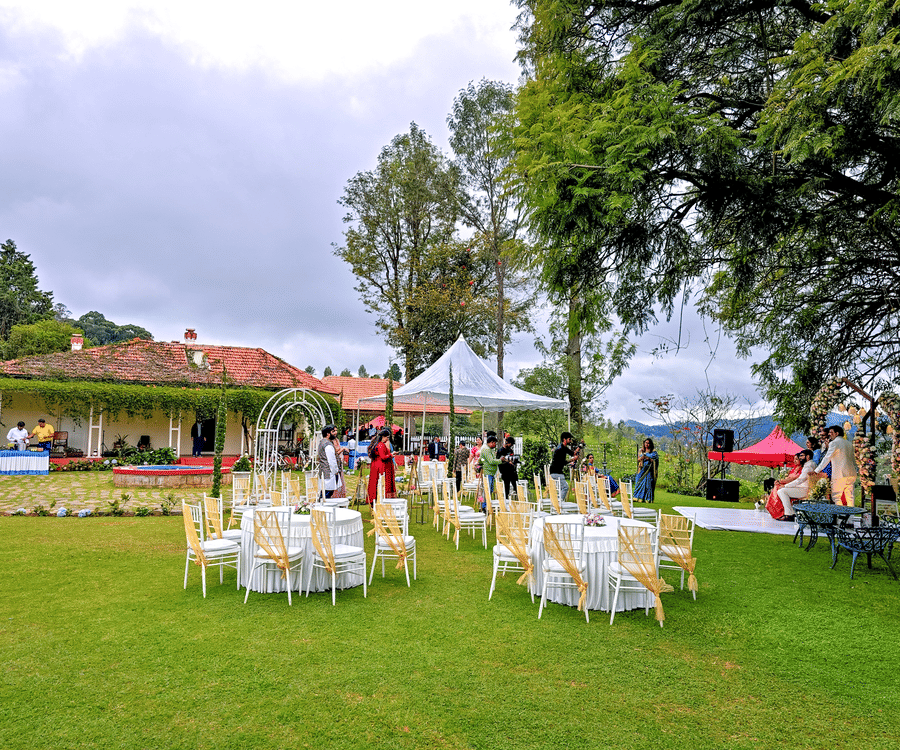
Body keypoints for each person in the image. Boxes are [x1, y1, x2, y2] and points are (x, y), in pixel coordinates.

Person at [816, 424, 857, 506]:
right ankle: (850, 516)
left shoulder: (834, 443)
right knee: (850, 496)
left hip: (839, 474)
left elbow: (827, 458)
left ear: (837, 433)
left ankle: (841, 515)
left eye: (831, 432)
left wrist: (816, 470)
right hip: (851, 474)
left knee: (836, 497)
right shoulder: (849, 444)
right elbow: (853, 460)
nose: (829, 434)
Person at [776, 449, 817, 521]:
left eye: (802, 456)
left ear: (808, 457)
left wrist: (785, 486)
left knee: (781, 491)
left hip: (805, 490)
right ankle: (790, 513)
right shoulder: (809, 464)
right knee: (781, 490)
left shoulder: (809, 466)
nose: (800, 458)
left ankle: (789, 514)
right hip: (803, 488)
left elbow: (800, 480)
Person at [765, 454, 804, 519]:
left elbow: (794, 479)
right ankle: (776, 510)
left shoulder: (802, 469)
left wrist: (781, 482)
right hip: (788, 484)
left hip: (794, 485)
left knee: (779, 488)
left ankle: (781, 512)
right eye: (794, 459)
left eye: (796, 459)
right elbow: (788, 478)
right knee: (777, 486)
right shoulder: (793, 469)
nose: (794, 461)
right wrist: (779, 481)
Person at [367, 428, 396, 503]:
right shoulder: (381, 445)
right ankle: (379, 498)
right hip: (381, 467)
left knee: (375, 483)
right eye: (387, 437)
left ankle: (375, 498)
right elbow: (383, 456)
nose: (387, 439)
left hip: (376, 465)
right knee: (380, 483)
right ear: (384, 437)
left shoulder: (377, 444)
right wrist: (391, 455)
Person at [549, 432, 577, 502]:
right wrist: (572, 460)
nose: (570, 441)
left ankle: (559, 502)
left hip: (557, 472)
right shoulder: (560, 449)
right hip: (556, 472)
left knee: (562, 488)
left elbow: (573, 453)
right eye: (569, 439)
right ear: (565, 439)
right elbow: (563, 462)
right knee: (565, 487)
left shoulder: (563, 447)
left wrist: (579, 447)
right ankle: (559, 503)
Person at [316, 424, 341, 499]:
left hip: (325, 471)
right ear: (328, 434)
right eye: (333, 431)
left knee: (325, 493)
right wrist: (336, 471)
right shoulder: (328, 445)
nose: (335, 433)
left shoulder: (322, 442)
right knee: (327, 493)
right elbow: (332, 461)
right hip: (328, 472)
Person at [478, 434, 501, 510]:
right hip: (488, 472)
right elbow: (491, 461)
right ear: (491, 442)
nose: (495, 445)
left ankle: (486, 504)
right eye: (494, 443)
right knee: (487, 490)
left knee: (489, 489)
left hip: (490, 472)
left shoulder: (489, 449)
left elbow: (482, 459)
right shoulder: (486, 449)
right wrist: (500, 461)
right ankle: (484, 506)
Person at [633, 438, 659, 503]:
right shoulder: (641, 451)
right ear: (644, 443)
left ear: (651, 444)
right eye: (646, 443)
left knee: (648, 484)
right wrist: (642, 457)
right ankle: (637, 497)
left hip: (649, 470)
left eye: (648, 443)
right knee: (639, 482)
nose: (647, 444)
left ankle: (647, 499)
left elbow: (655, 459)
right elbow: (638, 459)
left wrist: (649, 459)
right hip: (641, 469)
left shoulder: (653, 452)